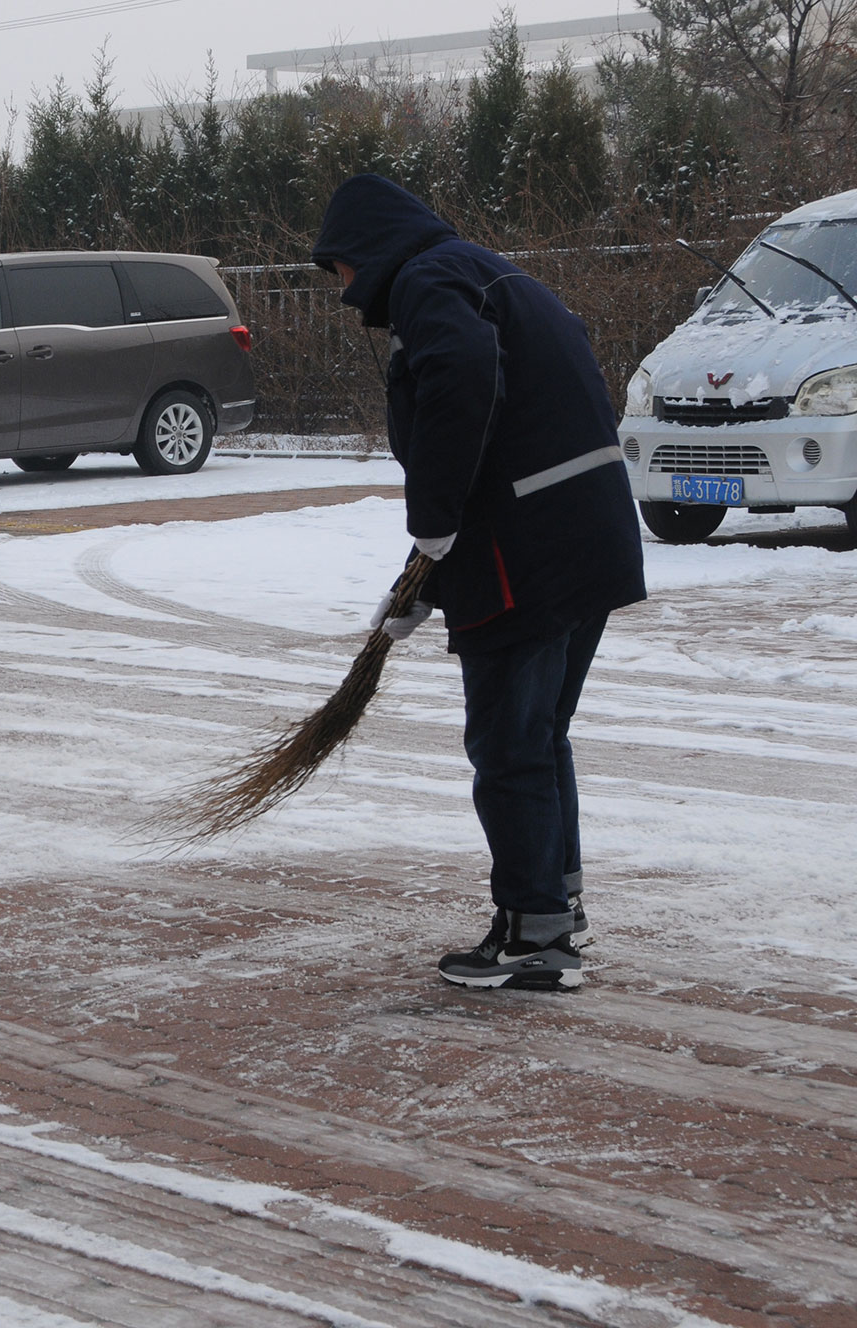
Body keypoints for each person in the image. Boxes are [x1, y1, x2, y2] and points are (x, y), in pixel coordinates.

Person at [310, 174, 646, 990]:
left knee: (506, 745)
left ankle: (537, 940)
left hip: (525, 548)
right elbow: (512, 414)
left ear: (369, 250)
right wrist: (421, 581)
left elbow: (462, 384)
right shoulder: (486, 271)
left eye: (340, 269)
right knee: (537, 737)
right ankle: (552, 912)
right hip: (585, 533)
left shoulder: (429, 281)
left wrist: (432, 519)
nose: (344, 289)